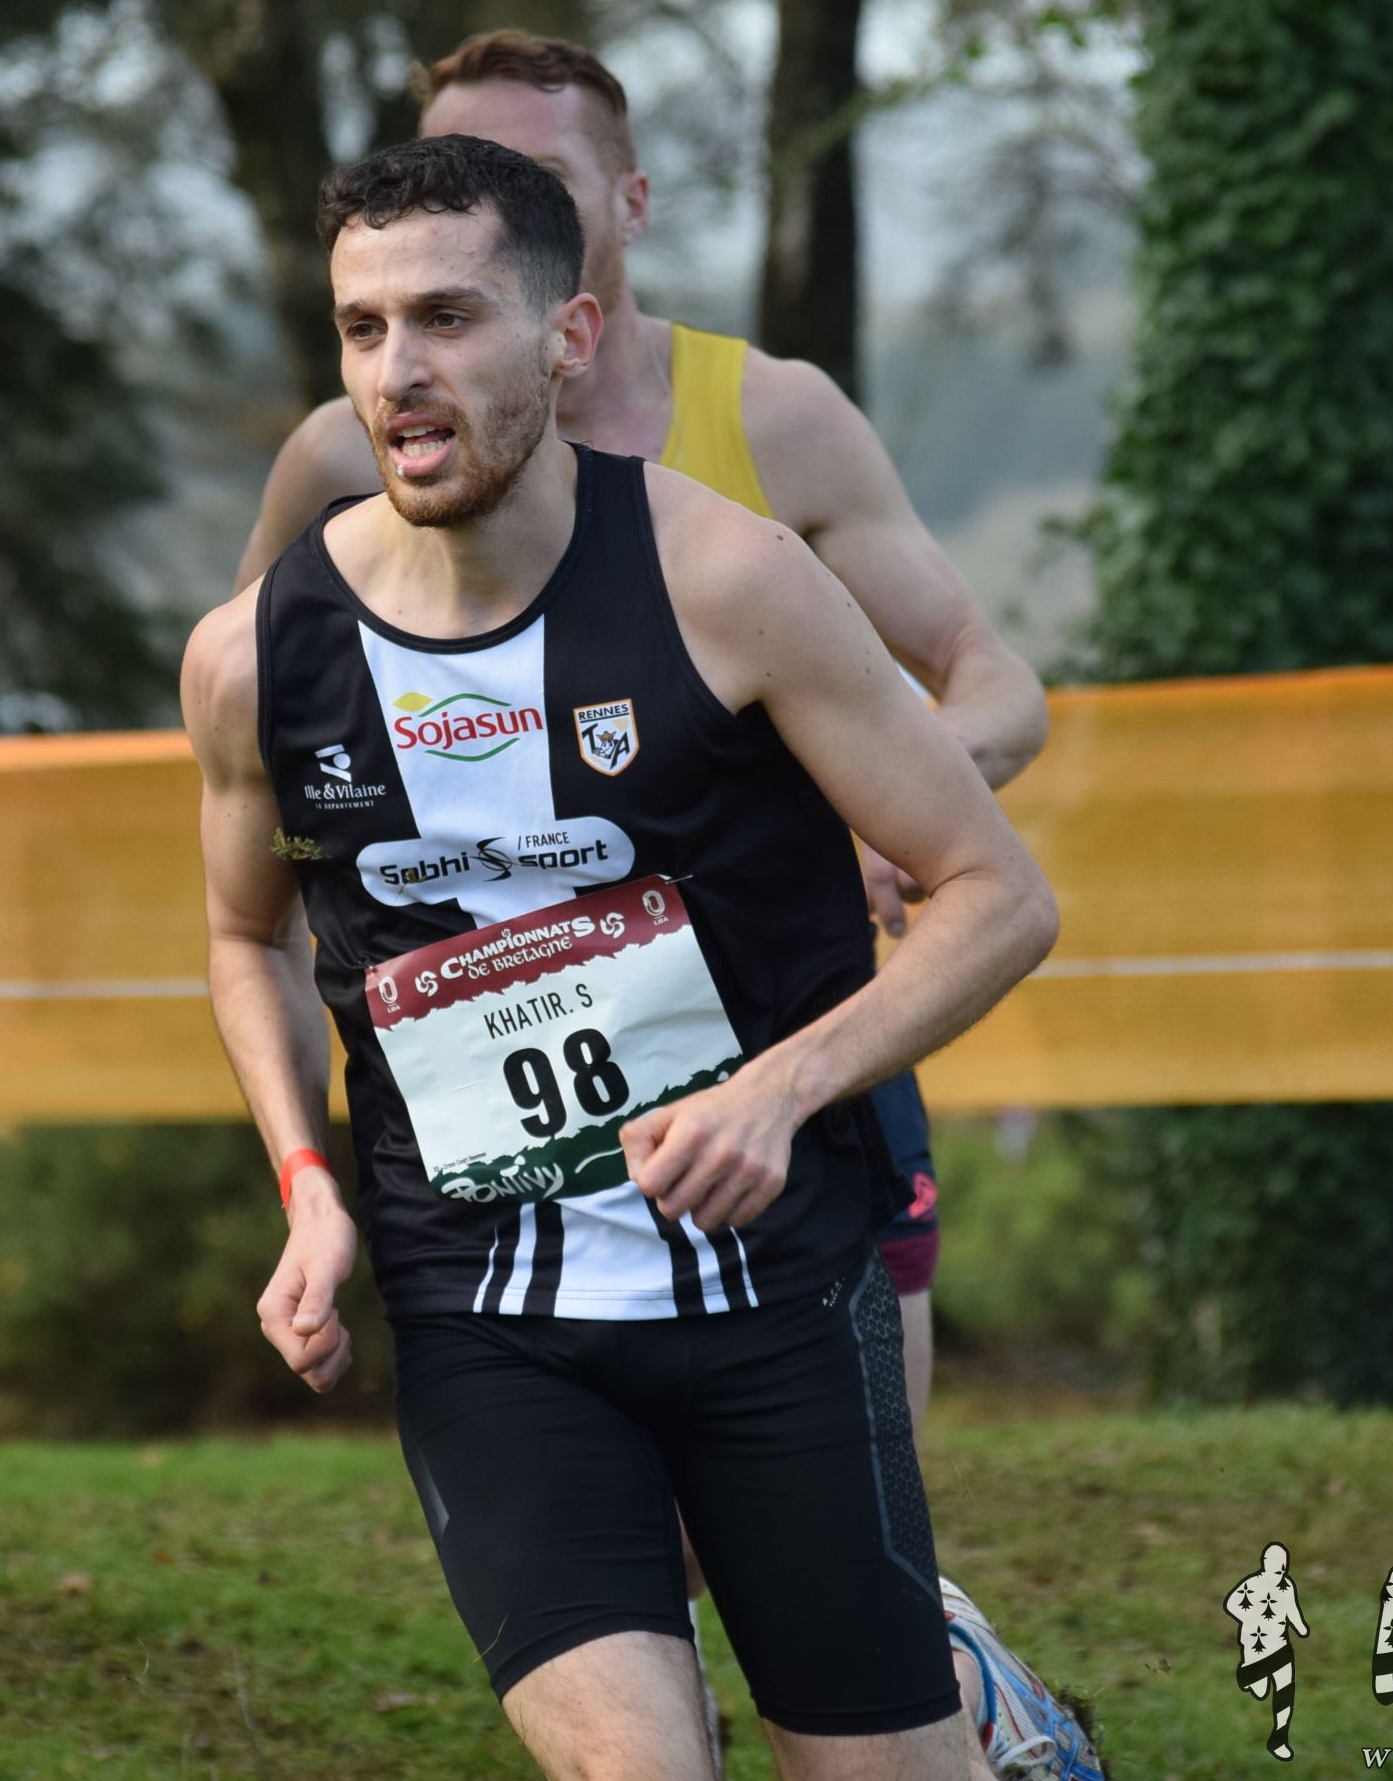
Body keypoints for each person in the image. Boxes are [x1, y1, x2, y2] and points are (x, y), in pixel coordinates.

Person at [186, 132, 1060, 1779]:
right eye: (365, 328)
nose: (399, 371)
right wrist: (307, 1185)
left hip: (774, 1288)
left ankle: (976, 1710)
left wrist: (779, 1092)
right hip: (484, 1309)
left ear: (568, 337)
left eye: (448, 318)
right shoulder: (256, 659)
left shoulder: (731, 580)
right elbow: (247, 936)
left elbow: (997, 896)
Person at [237, 29, 1050, 1432]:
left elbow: (992, 678)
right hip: (496, 1079)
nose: (487, 197)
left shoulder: (770, 416)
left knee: (853, 1497)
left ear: (626, 203)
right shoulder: (341, 452)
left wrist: (898, 802)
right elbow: (264, 718)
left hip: (786, 1042)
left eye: (534, 172)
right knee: (594, 1520)